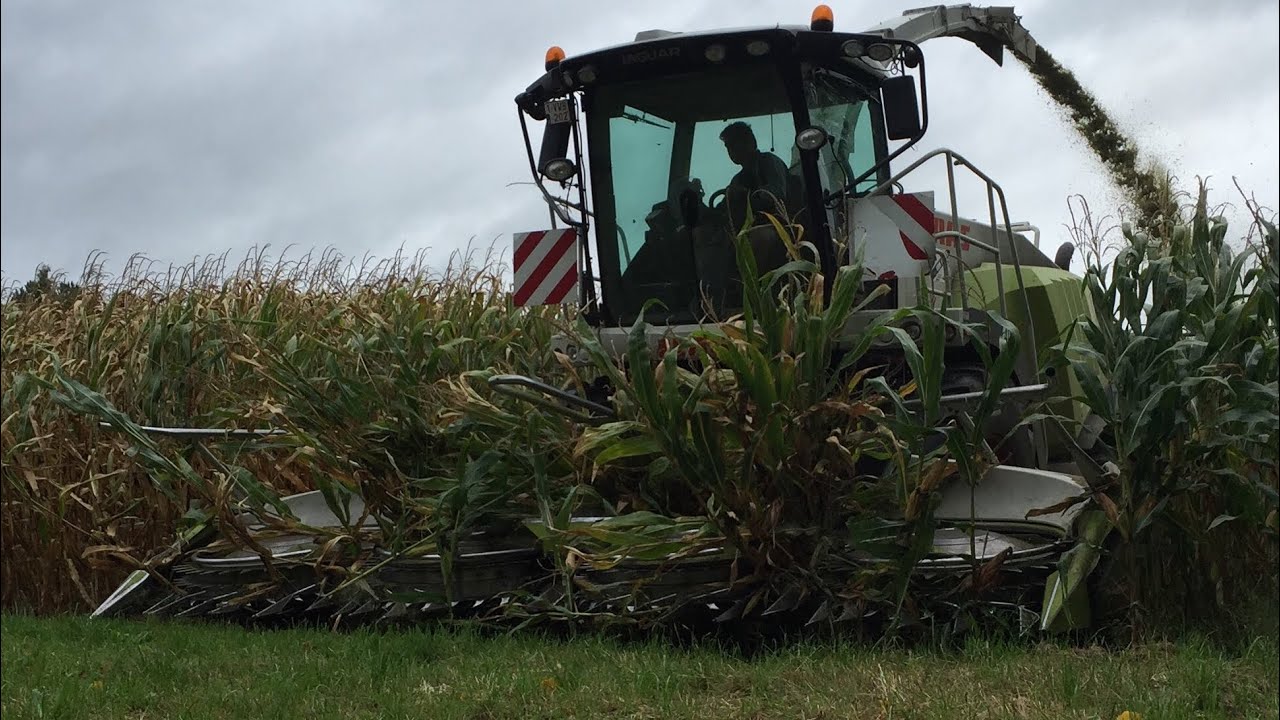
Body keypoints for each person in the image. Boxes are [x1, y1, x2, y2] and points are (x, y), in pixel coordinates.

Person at [718, 121, 789, 230]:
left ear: (751, 142)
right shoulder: (737, 179)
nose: (730, 150)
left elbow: (778, 194)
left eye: (734, 144)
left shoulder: (769, 161)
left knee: (759, 238)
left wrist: (746, 194)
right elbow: (725, 208)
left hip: (778, 226)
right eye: (728, 146)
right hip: (749, 228)